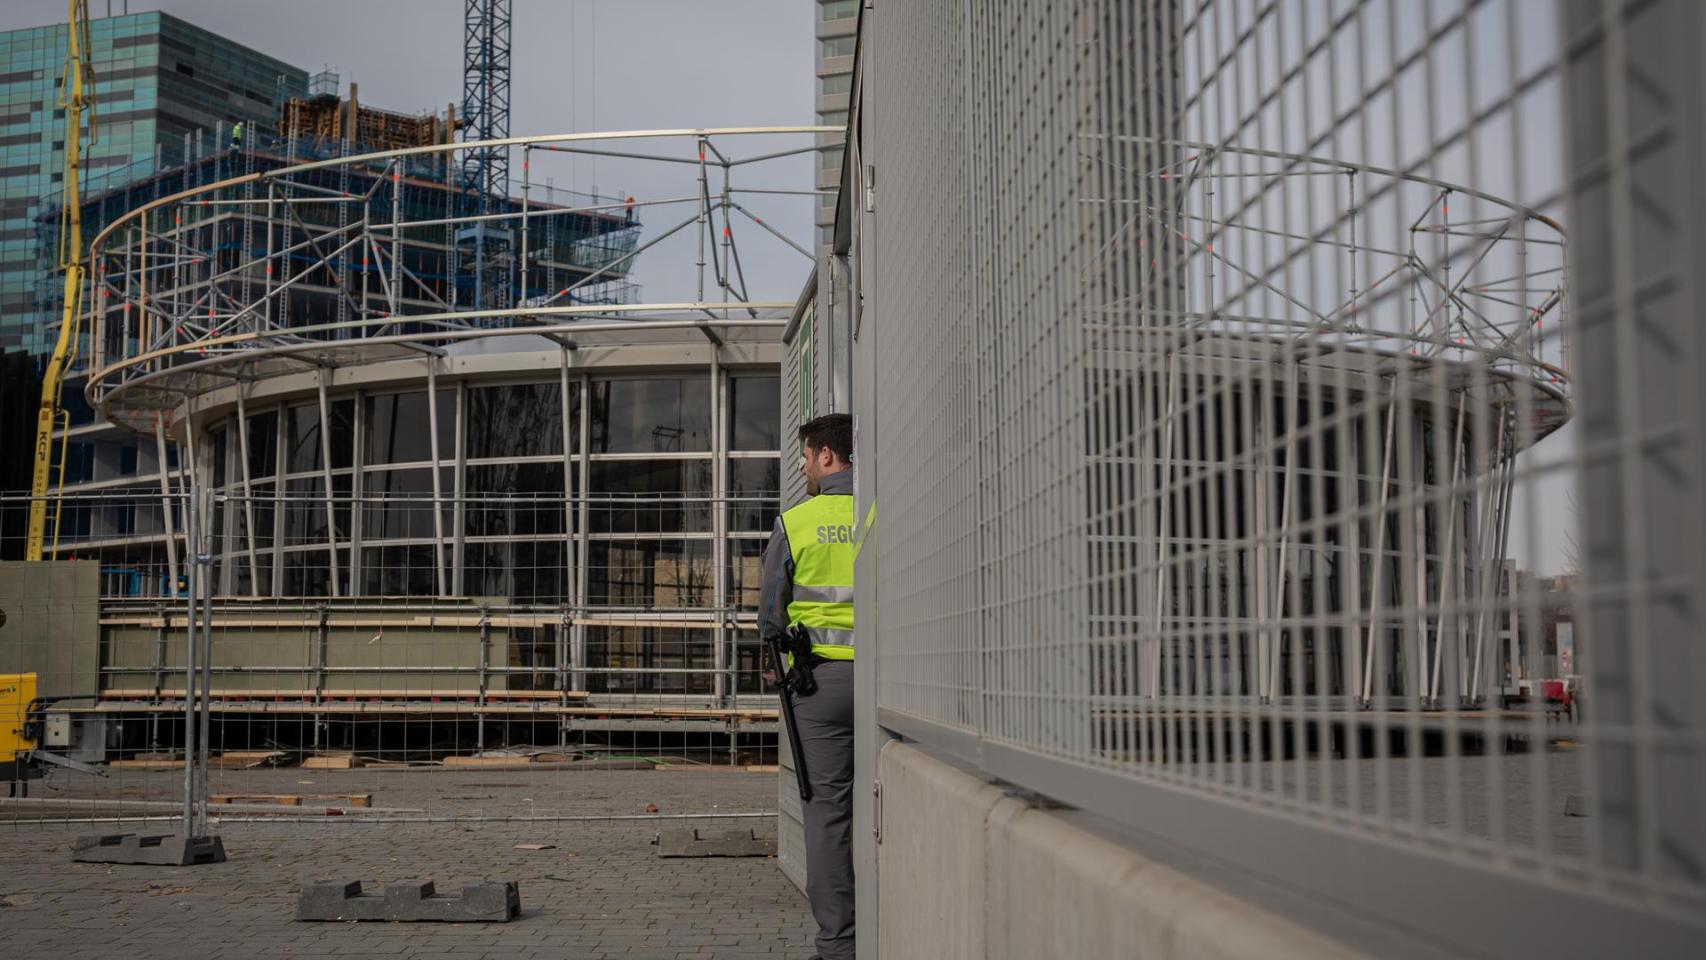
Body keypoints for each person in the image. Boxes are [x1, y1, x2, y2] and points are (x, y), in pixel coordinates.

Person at [760, 412, 856, 960]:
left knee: (827, 813)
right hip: (887, 685)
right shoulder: (878, 512)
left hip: (819, 686)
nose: (802, 466)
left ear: (826, 456)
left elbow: (769, 616)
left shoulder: (796, 522)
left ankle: (839, 946)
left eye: (806, 456)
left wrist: (776, 665)